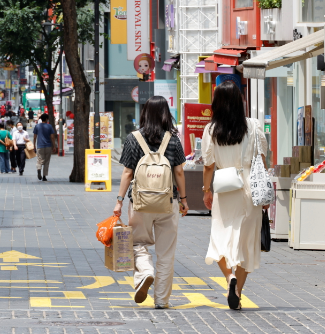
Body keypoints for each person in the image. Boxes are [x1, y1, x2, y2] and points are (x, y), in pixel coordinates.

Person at [113, 96, 189, 308]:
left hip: (139, 203)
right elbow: (180, 172)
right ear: (166, 114)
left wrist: (119, 201)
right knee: (166, 253)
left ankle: (145, 272)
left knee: (138, 243)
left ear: (144, 112)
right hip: (168, 202)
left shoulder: (133, 138)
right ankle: (162, 300)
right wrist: (183, 200)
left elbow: (128, 173)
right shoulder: (173, 139)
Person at [201, 80, 268, 310]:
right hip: (249, 188)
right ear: (240, 101)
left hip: (224, 188)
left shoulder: (211, 130)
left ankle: (229, 279)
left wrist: (206, 191)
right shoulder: (253, 126)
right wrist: (264, 193)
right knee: (246, 242)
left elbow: (208, 165)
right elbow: (262, 161)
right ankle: (237, 292)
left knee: (219, 239)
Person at [33, 114, 58, 181]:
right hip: (48, 146)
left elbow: (35, 136)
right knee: (47, 161)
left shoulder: (37, 126)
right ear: (47, 119)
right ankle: (44, 176)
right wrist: (54, 146)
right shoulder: (49, 126)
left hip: (39, 146)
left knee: (39, 159)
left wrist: (34, 145)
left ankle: (39, 170)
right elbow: (52, 137)